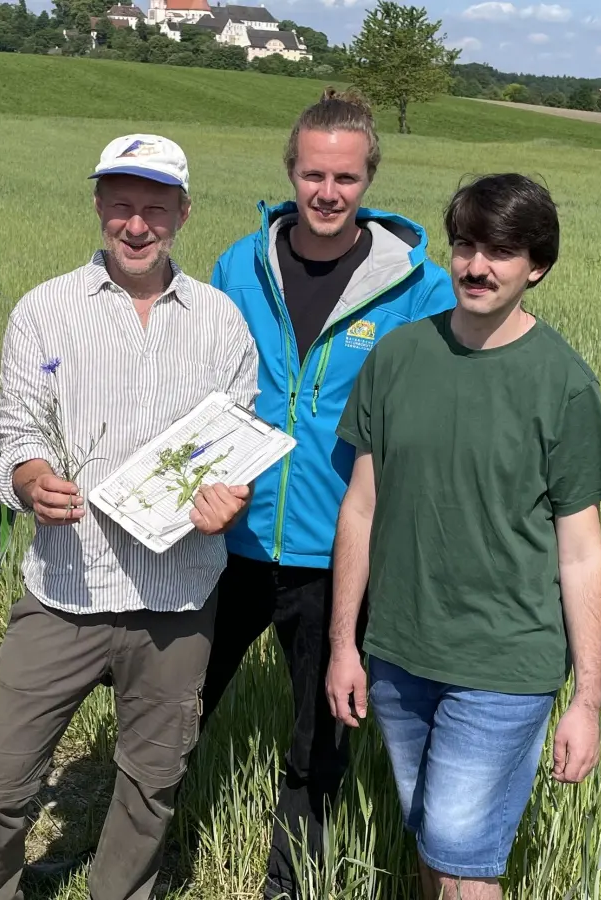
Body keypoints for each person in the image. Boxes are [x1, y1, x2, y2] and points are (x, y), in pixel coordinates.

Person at [0, 134, 260, 900]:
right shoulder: (46, 311)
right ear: (97, 206)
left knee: (151, 786)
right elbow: (16, 432)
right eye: (121, 204)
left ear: (183, 213)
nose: (136, 223)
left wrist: (229, 501)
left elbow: (234, 448)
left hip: (178, 600)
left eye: (155, 207)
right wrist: (28, 478)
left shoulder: (221, 323)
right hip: (66, 590)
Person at [325, 174, 601, 900]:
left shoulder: (563, 385)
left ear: (537, 266)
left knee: (462, 859)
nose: (477, 266)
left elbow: (582, 551)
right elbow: (360, 508)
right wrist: (343, 646)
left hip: (504, 661)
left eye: (502, 251)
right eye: (465, 246)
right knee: (433, 838)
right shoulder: (396, 358)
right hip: (400, 652)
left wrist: (587, 700)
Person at [202, 88, 453, 899]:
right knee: (172, 712)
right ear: (291, 172)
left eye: (345, 178)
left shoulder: (416, 285)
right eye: (313, 173)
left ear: (367, 179)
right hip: (227, 539)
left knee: (318, 741)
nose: (327, 192)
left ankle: (287, 883)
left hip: (336, 552)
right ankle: (130, 852)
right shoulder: (238, 265)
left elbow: (456, 392)